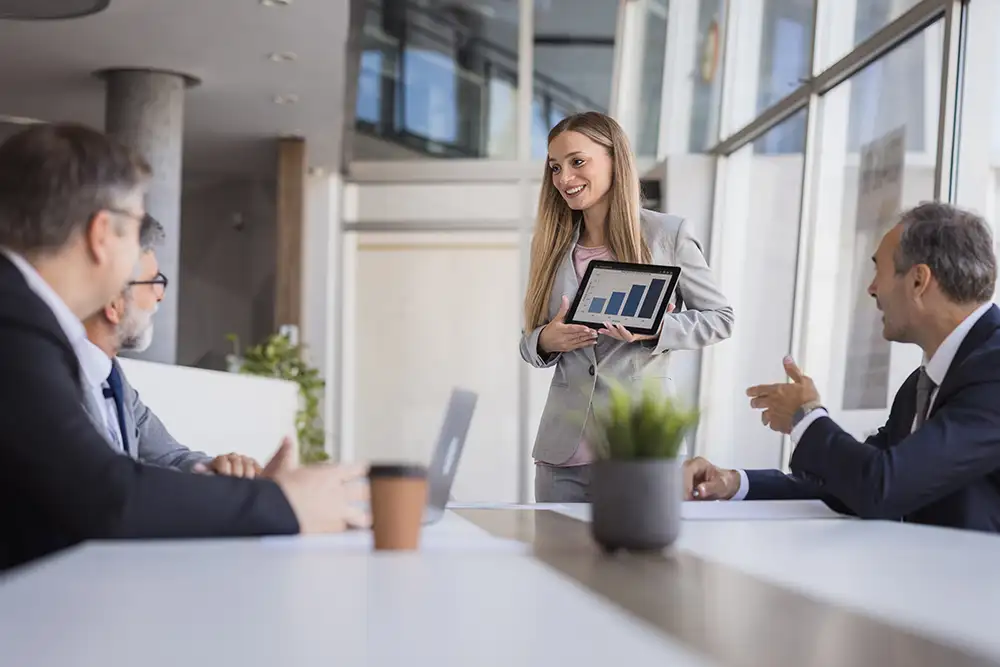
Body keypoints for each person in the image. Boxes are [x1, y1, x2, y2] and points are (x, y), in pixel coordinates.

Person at [0, 122, 367, 571]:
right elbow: (104, 496)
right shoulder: (12, 321)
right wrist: (282, 503)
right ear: (102, 235)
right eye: (135, 229)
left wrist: (251, 496)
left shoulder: (26, 317)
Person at [685, 202, 1000, 532]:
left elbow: (882, 487)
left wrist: (805, 419)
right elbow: (852, 484)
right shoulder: (922, 383)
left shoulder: (992, 373)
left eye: (879, 270)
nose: (872, 288)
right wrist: (734, 483)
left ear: (919, 281)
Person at [520, 111, 734, 502]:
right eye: (555, 167)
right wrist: (547, 339)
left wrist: (656, 329)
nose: (564, 179)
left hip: (638, 446)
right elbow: (528, 342)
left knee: (637, 563)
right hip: (562, 455)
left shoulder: (667, 235)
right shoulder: (551, 245)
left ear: (615, 159)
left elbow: (720, 319)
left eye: (577, 162)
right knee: (554, 561)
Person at [80, 215, 261, 477]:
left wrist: (220, 470)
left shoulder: (113, 381)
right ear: (113, 303)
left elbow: (171, 457)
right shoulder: (55, 380)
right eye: (153, 281)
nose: (160, 294)